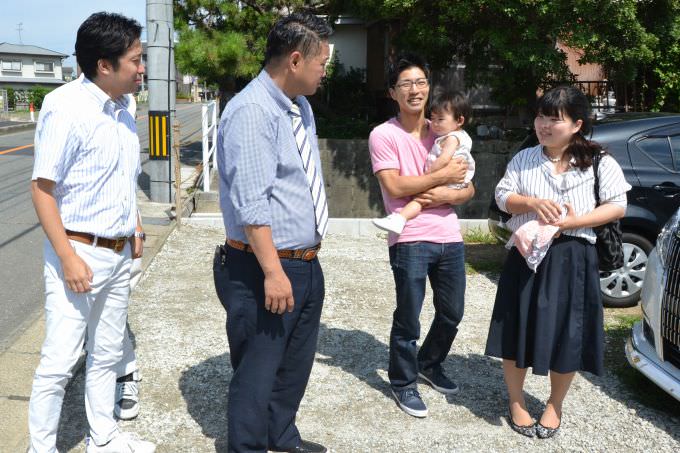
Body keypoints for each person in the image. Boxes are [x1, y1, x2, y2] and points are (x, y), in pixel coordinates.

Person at [28, 12, 155, 453]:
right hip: (79, 253)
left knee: (105, 354)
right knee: (60, 362)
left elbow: (120, 177)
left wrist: (135, 224)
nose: (142, 68)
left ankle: (103, 438)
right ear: (105, 64)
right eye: (136, 60)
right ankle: (39, 448)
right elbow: (43, 189)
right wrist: (66, 258)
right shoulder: (65, 106)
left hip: (119, 253)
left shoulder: (126, 107)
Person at [213, 11, 331, 453]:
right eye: (321, 62)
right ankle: (245, 446)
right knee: (257, 372)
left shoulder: (299, 107)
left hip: (303, 260)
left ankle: (280, 437)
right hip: (263, 265)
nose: (325, 70)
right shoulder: (252, 111)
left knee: (293, 366)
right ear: (296, 60)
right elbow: (252, 204)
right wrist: (272, 272)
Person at [484, 85, 631, 438]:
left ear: (577, 124)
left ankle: (555, 404)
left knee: (568, 332)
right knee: (517, 326)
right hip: (525, 254)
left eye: (554, 119)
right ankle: (516, 401)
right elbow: (503, 197)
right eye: (540, 116)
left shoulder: (600, 161)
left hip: (572, 256)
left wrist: (572, 221)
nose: (544, 125)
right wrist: (533, 203)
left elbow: (617, 205)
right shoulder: (525, 157)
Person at [368, 53, 474, 418]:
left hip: (449, 235)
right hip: (410, 236)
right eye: (406, 84)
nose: (415, 90)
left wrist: (449, 192)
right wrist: (441, 180)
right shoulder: (383, 135)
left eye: (421, 83)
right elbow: (395, 186)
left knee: (452, 312)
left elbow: (469, 187)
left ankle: (429, 363)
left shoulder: (443, 130)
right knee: (409, 316)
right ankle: (403, 382)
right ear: (392, 93)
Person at [372, 88, 475, 234]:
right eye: (433, 119)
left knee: (420, 199)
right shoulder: (448, 134)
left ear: (459, 120)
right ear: (393, 92)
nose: (435, 124)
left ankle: (400, 218)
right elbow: (393, 187)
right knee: (422, 201)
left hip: (449, 187)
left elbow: (445, 159)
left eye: (440, 119)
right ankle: (399, 219)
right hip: (448, 187)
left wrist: (430, 173)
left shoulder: (452, 138)